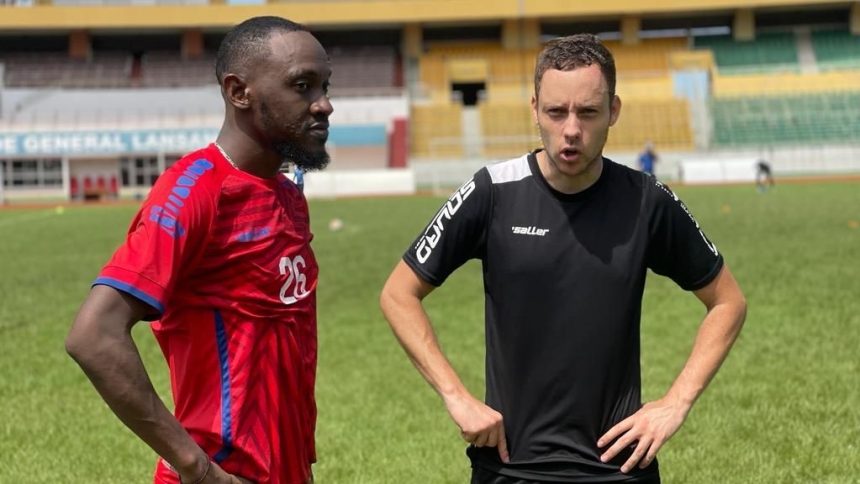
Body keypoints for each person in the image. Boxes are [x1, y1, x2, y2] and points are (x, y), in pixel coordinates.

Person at [380, 34, 747, 483]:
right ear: (535, 108)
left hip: (618, 468)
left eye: (588, 112)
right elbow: (398, 293)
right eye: (556, 112)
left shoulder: (646, 201)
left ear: (613, 110)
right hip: (510, 468)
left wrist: (676, 403)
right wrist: (455, 396)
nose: (571, 129)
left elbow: (728, 301)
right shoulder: (492, 191)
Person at [65, 16, 333, 484]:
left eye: (324, 86)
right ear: (239, 91)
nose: (324, 104)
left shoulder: (288, 196)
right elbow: (94, 335)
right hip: (224, 471)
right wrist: (197, 468)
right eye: (302, 86)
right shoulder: (194, 190)